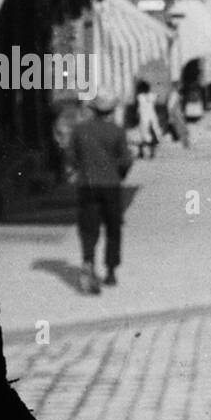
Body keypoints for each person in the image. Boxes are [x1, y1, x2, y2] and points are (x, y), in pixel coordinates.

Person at [65, 89, 132, 294]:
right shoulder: (117, 131)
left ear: (93, 109)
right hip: (111, 186)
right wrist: (118, 175)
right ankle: (110, 271)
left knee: (88, 228)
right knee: (113, 228)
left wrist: (82, 169)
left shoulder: (79, 130)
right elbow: (126, 160)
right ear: (111, 110)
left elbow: (71, 157)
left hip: (87, 185)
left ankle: (88, 263)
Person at [134, 79, 161, 158]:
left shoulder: (139, 97)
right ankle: (152, 152)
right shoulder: (153, 95)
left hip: (143, 118)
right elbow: (156, 105)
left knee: (142, 135)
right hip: (152, 117)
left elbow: (137, 108)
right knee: (153, 134)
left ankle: (141, 152)